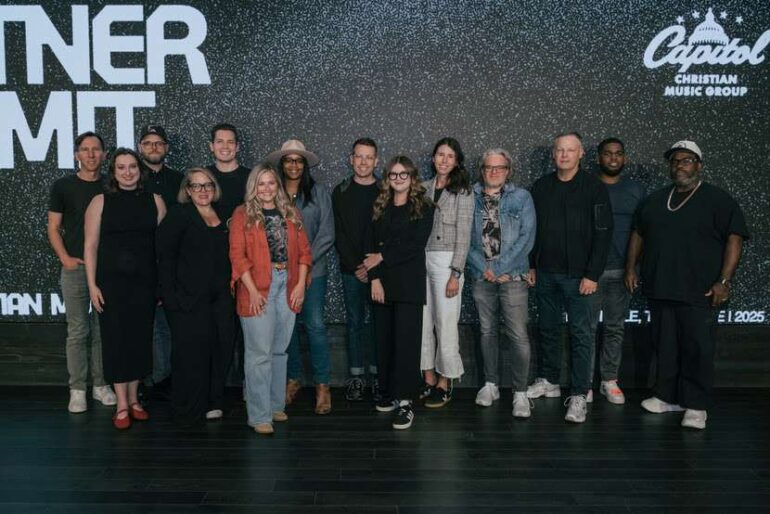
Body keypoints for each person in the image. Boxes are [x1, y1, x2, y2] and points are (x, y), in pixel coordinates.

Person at [626, 140, 749, 430]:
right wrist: (631, 267)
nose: (679, 165)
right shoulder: (656, 200)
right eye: (675, 161)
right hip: (660, 287)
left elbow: (735, 239)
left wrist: (723, 281)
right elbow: (638, 234)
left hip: (700, 290)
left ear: (699, 165)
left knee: (697, 348)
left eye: (686, 160)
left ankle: (696, 405)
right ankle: (667, 397)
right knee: (665, 346)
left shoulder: (718, 199)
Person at [527, 132, 613, 424]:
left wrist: (592, 274)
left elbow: (603, 234)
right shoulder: (541, 186)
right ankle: (550, 380)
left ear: (580, 154)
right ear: (554, 154)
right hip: (546, 274)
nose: (564, 155)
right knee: (548, 329)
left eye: (570, 150)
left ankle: (579, 394)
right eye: (560, 150)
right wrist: (532, 264)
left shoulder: (594, 188)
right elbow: (533, 229)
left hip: (580, 278)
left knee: (581, 335)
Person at [83, 148, 167, 429]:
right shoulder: (99, 202)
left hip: (145, 284)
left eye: (132, 167)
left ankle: (134, 400)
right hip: (111, 285)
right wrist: (92, 285)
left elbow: (163, 249)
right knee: (116, 340)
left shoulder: (155, 201)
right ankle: (121, 404)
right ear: (113, 172)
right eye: (121, 167)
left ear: (139, 171)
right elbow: (90, 246)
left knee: (139, 340)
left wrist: (160, 285)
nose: (127, 172)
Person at [229, 164, 312, 435]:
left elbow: (304, 252)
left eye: (271, 183)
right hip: (256, 286)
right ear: (253, 187)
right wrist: (252, 291)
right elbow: (237, 256)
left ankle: (276, 405)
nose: (266, 188)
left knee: (279, 351)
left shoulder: (291, 213)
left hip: (287, 284)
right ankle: (259, 416)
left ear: (278, 186)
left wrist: (300, 285)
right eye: (261, 183)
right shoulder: (242, 214)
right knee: (259, 355)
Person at [156, 168, 235, 426]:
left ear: (214, 188)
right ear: (187, 190)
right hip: (187, 300)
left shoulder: (225, 214)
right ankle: (188, 407)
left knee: (221, 349)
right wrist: (170, 297)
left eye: (207, 185)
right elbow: (165, 258)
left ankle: (214, 402)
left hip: (221, 299)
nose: (203, 190)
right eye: (196, 186)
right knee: (190, 354)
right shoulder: (179, 215)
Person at [47, 131, 117, 413]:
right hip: (75, 268)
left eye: (96, 149)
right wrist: (65, 258)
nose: (91, 154)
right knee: (77, 330)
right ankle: (77, 389)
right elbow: (53, 227)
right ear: (76, 154)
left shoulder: (112, 186)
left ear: (104, 154)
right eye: (85, 149)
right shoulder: (63, 186)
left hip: (106, 270)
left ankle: (101, 385)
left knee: (103, 331)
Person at [364, 155, 434, 430]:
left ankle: (406, 402)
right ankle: (389, 393)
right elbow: (369, 247)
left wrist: (382, 256)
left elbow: (415, 245)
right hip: (382, 283)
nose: (398, 179)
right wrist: (374, 279)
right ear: (387, 178)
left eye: (403, 174)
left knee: (406, 344)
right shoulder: (379, 205)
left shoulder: (425, 206)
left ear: (412, 177)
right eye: (393, 174)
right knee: (384, 342)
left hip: (408, 286)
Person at [267, 140, 335, 415]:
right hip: (281, 271)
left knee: (315, 325)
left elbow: (327, 233)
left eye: (298, 160)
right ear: (281, 164)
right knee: (288, 327)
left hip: (313, 271)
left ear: (305, 165)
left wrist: (304, 262)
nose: (293, 165)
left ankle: (322, 385)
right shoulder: (273, 191)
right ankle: (292, 379)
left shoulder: (319, 192)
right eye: (288, 160)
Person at [468, 148, 536, 418]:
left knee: (518, 335)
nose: (494, 172)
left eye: (500, 167)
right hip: (481, 276)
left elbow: (527, 238)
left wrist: (499, 268)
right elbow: (464, 239)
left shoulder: (522, 197)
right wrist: (486, 269)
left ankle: (520, 392)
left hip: (513, 277)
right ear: (482, 170)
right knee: (487, 332)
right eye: (489, 167)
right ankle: (490, 384)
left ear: (509, 171)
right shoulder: (469, 197)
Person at [588, 138, 646, 404]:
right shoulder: (588, 186)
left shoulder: (635, 189)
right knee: (586, 329)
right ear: (598, 157)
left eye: (618, 154)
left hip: (623, 271)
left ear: (624, 158)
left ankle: (609, 380)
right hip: (592, 272)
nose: (613, 158)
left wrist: (632, 267)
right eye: (608, 154)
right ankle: (584, 383)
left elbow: (642, 231)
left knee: (615, 328)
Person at [419, 137, 473, 408]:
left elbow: (464, 236)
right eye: (440, 154)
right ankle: (428, 376)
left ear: (457, 161)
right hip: (421, 260)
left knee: (445, 322)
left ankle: (445, 380)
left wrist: (456, 273)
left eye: (450, 156)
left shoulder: (463, 192)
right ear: (433, 158)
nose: (444, 160)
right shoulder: (422, 188)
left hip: (447, 261)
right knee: (422, 322)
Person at [332, 138, 380, 401]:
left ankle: (378, 376)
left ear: (376, 161)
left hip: (380, 271)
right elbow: (338, 233)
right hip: (350, 270)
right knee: (354, 322)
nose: (363, 162)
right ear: (351, 159)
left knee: (379, 323)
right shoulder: (341, 191)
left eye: (368, 157)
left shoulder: (386, 190)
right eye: (359, 156)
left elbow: (387, 232)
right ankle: (357, 377)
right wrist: (356, 266)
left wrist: (373, 266)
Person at [138, 124, 183, 398]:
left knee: (171, 324)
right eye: (148, 143)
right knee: (144, 326)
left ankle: (167, 378)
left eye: (158, 143)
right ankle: (146, 381)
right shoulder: (130, 179)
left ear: (166, 147)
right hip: (139, 264)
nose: (153, 147)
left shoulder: (180, 180)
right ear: (140, 147)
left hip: (173, 263)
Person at [206, 123, 250, 224]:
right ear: (211, 146)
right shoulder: (203, 176)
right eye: (220, 141)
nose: (225, 146)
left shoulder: (252, 177)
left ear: (237, 147)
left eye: (230, 142)